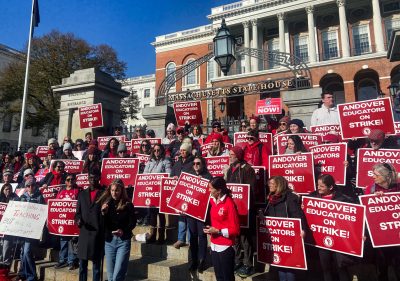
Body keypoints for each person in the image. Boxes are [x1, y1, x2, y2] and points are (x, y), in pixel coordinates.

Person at [305, 174, 354, 281]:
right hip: (322, 240)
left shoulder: (344, 199)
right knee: (326, 268)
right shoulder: (311, 197)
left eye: (322, 186)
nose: (318, 188)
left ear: (330, 187)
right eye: (318, 185)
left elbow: (352, 220)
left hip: (339, 239)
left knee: (341, 268)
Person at [259, 176, 304, 281]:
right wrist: (261, 213)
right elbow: (268, 213)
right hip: (277, 237)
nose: (269, 185)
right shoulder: (271, 198)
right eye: (269, 183)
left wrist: (302, 229)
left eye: (271, 183)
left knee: (289, 266)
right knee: (280, 263)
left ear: (279, 184)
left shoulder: (290, 198)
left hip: (289, 236)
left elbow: (298, 216)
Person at [364, 163, 400, 280]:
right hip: (380, 237)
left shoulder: (398, 188)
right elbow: (366, 211)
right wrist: (373, 198)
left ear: (385, 177)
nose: (373, 176)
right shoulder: (370, 189)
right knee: (382, 267)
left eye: (376, 174)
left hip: (397, 236)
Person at [224, 146, 256, 278]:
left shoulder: (248, 169)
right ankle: (237, 261)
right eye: (229, 154)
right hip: (233, 208)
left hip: (245, 209)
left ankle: (248, 264)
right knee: (235, 236)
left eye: (232, 154)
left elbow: (251, 190)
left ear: (238, 156)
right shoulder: (230, 169)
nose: (230, 156)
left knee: (245, 238)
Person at [99, 179, 136, 281]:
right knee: (110, 276)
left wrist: (123, 230)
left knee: (117, 275)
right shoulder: (106, 204)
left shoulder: (128, 204)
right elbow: (102, 224)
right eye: (112, 190)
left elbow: (132, 223)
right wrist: (103, 213)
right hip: (109, 241)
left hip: (123, 241)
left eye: (117, 190)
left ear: (122, 190)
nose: (114, 193)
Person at [204, 177, 240, 281]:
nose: (209, 190)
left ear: (219, 190)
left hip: (226, 246)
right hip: (214, 245)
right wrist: (210, 228)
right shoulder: (212, 201)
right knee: (219, 277)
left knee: (227, 278)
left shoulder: (229, 203)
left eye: (211, 188)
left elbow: (236, 229)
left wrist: (218, 231)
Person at [75, 170, 105, 281]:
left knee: (96, 267)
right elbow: (77, 213)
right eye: (91, 178)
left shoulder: (104, 193)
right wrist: (78, 220)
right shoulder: (82, 194)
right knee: (82, 266)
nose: (93, 180)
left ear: (99, 178)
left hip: (97, 235)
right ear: (88, 178)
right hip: (84, 233)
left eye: (95, 178)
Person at [186, 156, 212, 273]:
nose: (196, 165)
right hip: (191, 212)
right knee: (192, 236)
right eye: (194, 163)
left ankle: (202, 261)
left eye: (198, 163)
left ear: (203, 165)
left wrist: (204, 183)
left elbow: (211, 193)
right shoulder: (189, 176)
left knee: (201, 236)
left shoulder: (208, 177)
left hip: (202, 212)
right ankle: (193, 261)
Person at [143, 144, 172, 244]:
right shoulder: (150, 161)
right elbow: (144, 174)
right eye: (154, 150)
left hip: (161, 191)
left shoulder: (166, 161)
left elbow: (168, 174)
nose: (156, 152)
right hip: (151, 191)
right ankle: (153, 234)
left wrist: (159, 177)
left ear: (162, 151)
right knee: (152, 213)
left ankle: (161, 235)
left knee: (161, 214)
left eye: (158, 150)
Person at [18, 178, 45, 281]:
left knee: (27, 252)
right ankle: (25, 274)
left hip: (32, 229)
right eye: (28, 186)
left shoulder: (39, 197)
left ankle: (32, 276)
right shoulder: (22, 197)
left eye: (32, 185)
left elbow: (43, 212)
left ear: (35, 186)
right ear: (26, 187)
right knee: (23, 253)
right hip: (22, 228)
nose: (30, 187)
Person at [171, 143, 195, 249]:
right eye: (181, 150)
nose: (182, 152)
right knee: (181, 216)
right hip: (179, 193)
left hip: (189, 192)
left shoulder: (193, 162)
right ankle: (181, 239)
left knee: (189, 217)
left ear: (189, 151)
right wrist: (173, 177)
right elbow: (172, 174)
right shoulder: (177, 163)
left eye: (184, 150)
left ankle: (190, 240)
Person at [54, 174, 80, 270]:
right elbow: (55, 204)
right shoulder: (61, 191)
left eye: (72, 179)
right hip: (62, 220)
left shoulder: (78, 191)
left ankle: (72, 261)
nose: (70, 181)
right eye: (68, 180)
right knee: (63, 241)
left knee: (72, 241)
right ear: (65, 181)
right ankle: (62, 260)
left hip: (72, 221)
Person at [0, 183, 18, 267]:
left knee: (7, 245)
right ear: (3, 190)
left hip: (9, 227)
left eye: (10, 189)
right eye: (6, 189)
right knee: (1, 244)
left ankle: (6, 263)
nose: (8, 191)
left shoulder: (16, 198)